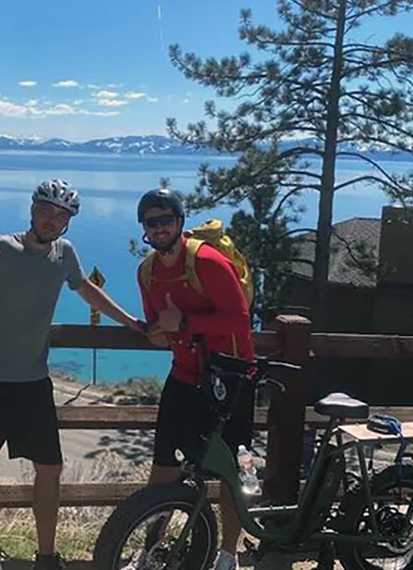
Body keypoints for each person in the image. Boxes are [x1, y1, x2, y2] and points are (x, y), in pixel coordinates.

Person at [0, 178, 145, 570]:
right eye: (46, 211)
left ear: (67, 223)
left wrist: (131, 321)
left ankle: (47, 556)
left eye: (61, 215)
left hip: (32, 381)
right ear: (32, 210)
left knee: (50, 467)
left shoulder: (64, 254)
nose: (52, 220)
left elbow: (86, 290)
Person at [134, 187, 256, 570]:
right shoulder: (147, 271)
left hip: (230, 377)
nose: (158, 229)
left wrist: (185, 322)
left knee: (230, 472)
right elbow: (159, 324)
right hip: (184, 376)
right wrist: (159, 330)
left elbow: (239, 320)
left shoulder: (208, 262)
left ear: (180, 222)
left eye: (164, 220)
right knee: (164, 467)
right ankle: (151, 550)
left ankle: (228, 555)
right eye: (150, 223)